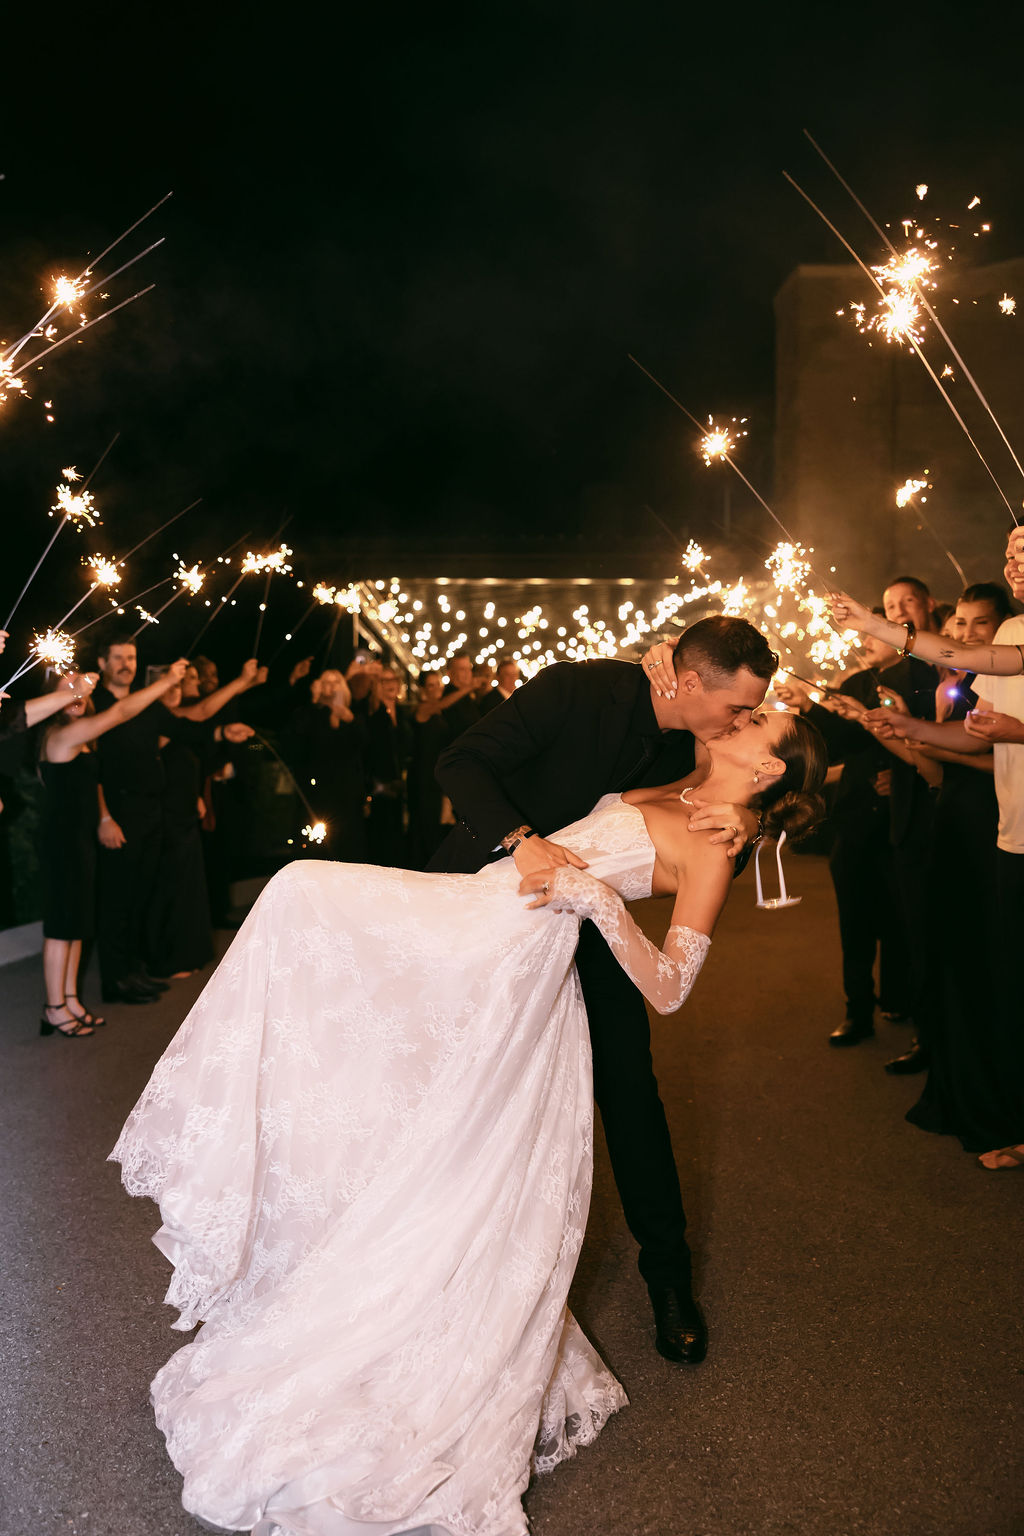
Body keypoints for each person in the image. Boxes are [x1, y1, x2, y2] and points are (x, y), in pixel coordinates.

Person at [111, 705, 825, 1536]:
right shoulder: (688, 790)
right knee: (312, 925)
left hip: (514, 955)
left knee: (307, 900)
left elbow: (668, 987)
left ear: (770, 769)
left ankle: (415, 1319)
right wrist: (726, 796)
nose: (742, 712)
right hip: (479, 910)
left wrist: (596, 896)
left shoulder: (716, 845)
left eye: (759, 717)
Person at [433, 616, 777, 1366]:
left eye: (749, 715)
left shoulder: (691, 742)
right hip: (493, 896)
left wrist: (753, 817)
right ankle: (440, 1259)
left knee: (630, 1093)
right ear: (687, 683)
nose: (740, 720)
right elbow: (459, 762)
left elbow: (748, 786)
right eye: (734, 709)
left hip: (593, 931)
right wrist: (521, 842)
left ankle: (670, 1281)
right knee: (461, 1084)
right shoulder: (576, 689)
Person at [37, 662, 188, 1037]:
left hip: (80, 839)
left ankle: (70, 999)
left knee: (76, 924)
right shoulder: (59, 735)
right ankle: (53, 1007)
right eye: (66, 688)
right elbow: (120, 712)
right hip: (61, 841)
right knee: (60, 927)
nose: (76, 693)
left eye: (78, 687)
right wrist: (167, 682)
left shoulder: (80, 737)